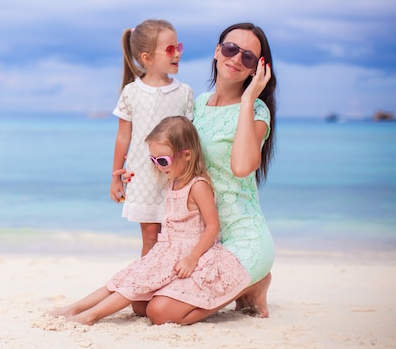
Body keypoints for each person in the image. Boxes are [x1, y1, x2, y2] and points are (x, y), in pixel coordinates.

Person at [131, 22, 277, 325]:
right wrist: (130, 171)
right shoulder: (197, 104)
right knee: (140, 304)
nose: (236, 59)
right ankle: (240, 287)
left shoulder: (258, 112)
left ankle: (254, 281)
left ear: (255, 70)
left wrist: (248, 100)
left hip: (241, 238)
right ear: (217, 51)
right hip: (199, 239)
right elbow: (173, 158)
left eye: (248, 57)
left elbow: (240, 167)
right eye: (230, 49)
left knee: (160, 312)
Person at [48, 116, 250, 325]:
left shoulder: (198, 186)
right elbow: (141, 173)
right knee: (129, 285)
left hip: (191, 253)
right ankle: (76, 307)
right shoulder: (171, 181)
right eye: (154, 160)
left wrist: (191, 258)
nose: (158, 166)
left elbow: (213, 226)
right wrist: (124, 178)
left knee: (144, 298)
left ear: (187, 155)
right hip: (167, 251)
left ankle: (91, 316)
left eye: (163, 160)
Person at [110, 19, 194, 257]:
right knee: (150, 237)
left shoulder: (184, 92)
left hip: (177, 177)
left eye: (178, 47)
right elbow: (123, 136)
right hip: (143, 177)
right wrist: (116, 176)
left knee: (176, 235)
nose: (177, 53)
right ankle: (145, 287)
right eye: (169, 49)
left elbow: (190, 136)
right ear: (146, 57)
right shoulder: (132, 92)